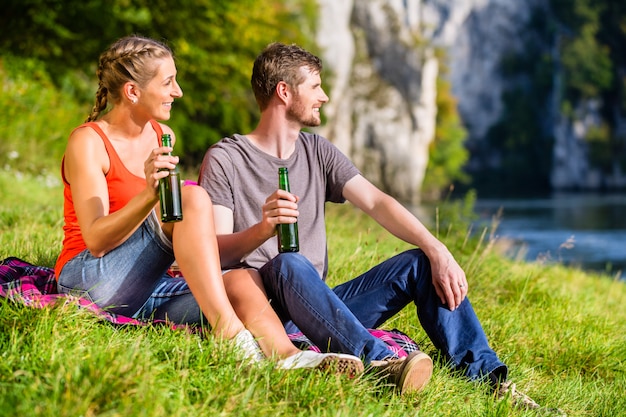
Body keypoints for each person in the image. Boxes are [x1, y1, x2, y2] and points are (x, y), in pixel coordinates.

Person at [198, 41, 542, 406]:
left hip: (319, 308)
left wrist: (436, 248)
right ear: (284, 92)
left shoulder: (318, 151)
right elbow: (214, 253)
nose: (325, 97)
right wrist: (262, 231)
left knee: (421, 264)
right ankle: (382, 362)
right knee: (288, 262)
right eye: (315, 87)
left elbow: (378, 202)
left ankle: (491, 383)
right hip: (265, 313)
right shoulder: (227, 159)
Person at [53, 35, 364, 375]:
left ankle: (286, 356)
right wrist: (148, 195)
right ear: (132, 92)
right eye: (168, 82)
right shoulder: (88, 142)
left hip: (147, 285)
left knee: (240, 279)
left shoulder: (161, 134)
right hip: (89, 284)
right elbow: (96, 241)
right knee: (193, 195)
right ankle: (231, 336)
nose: (178, 91)